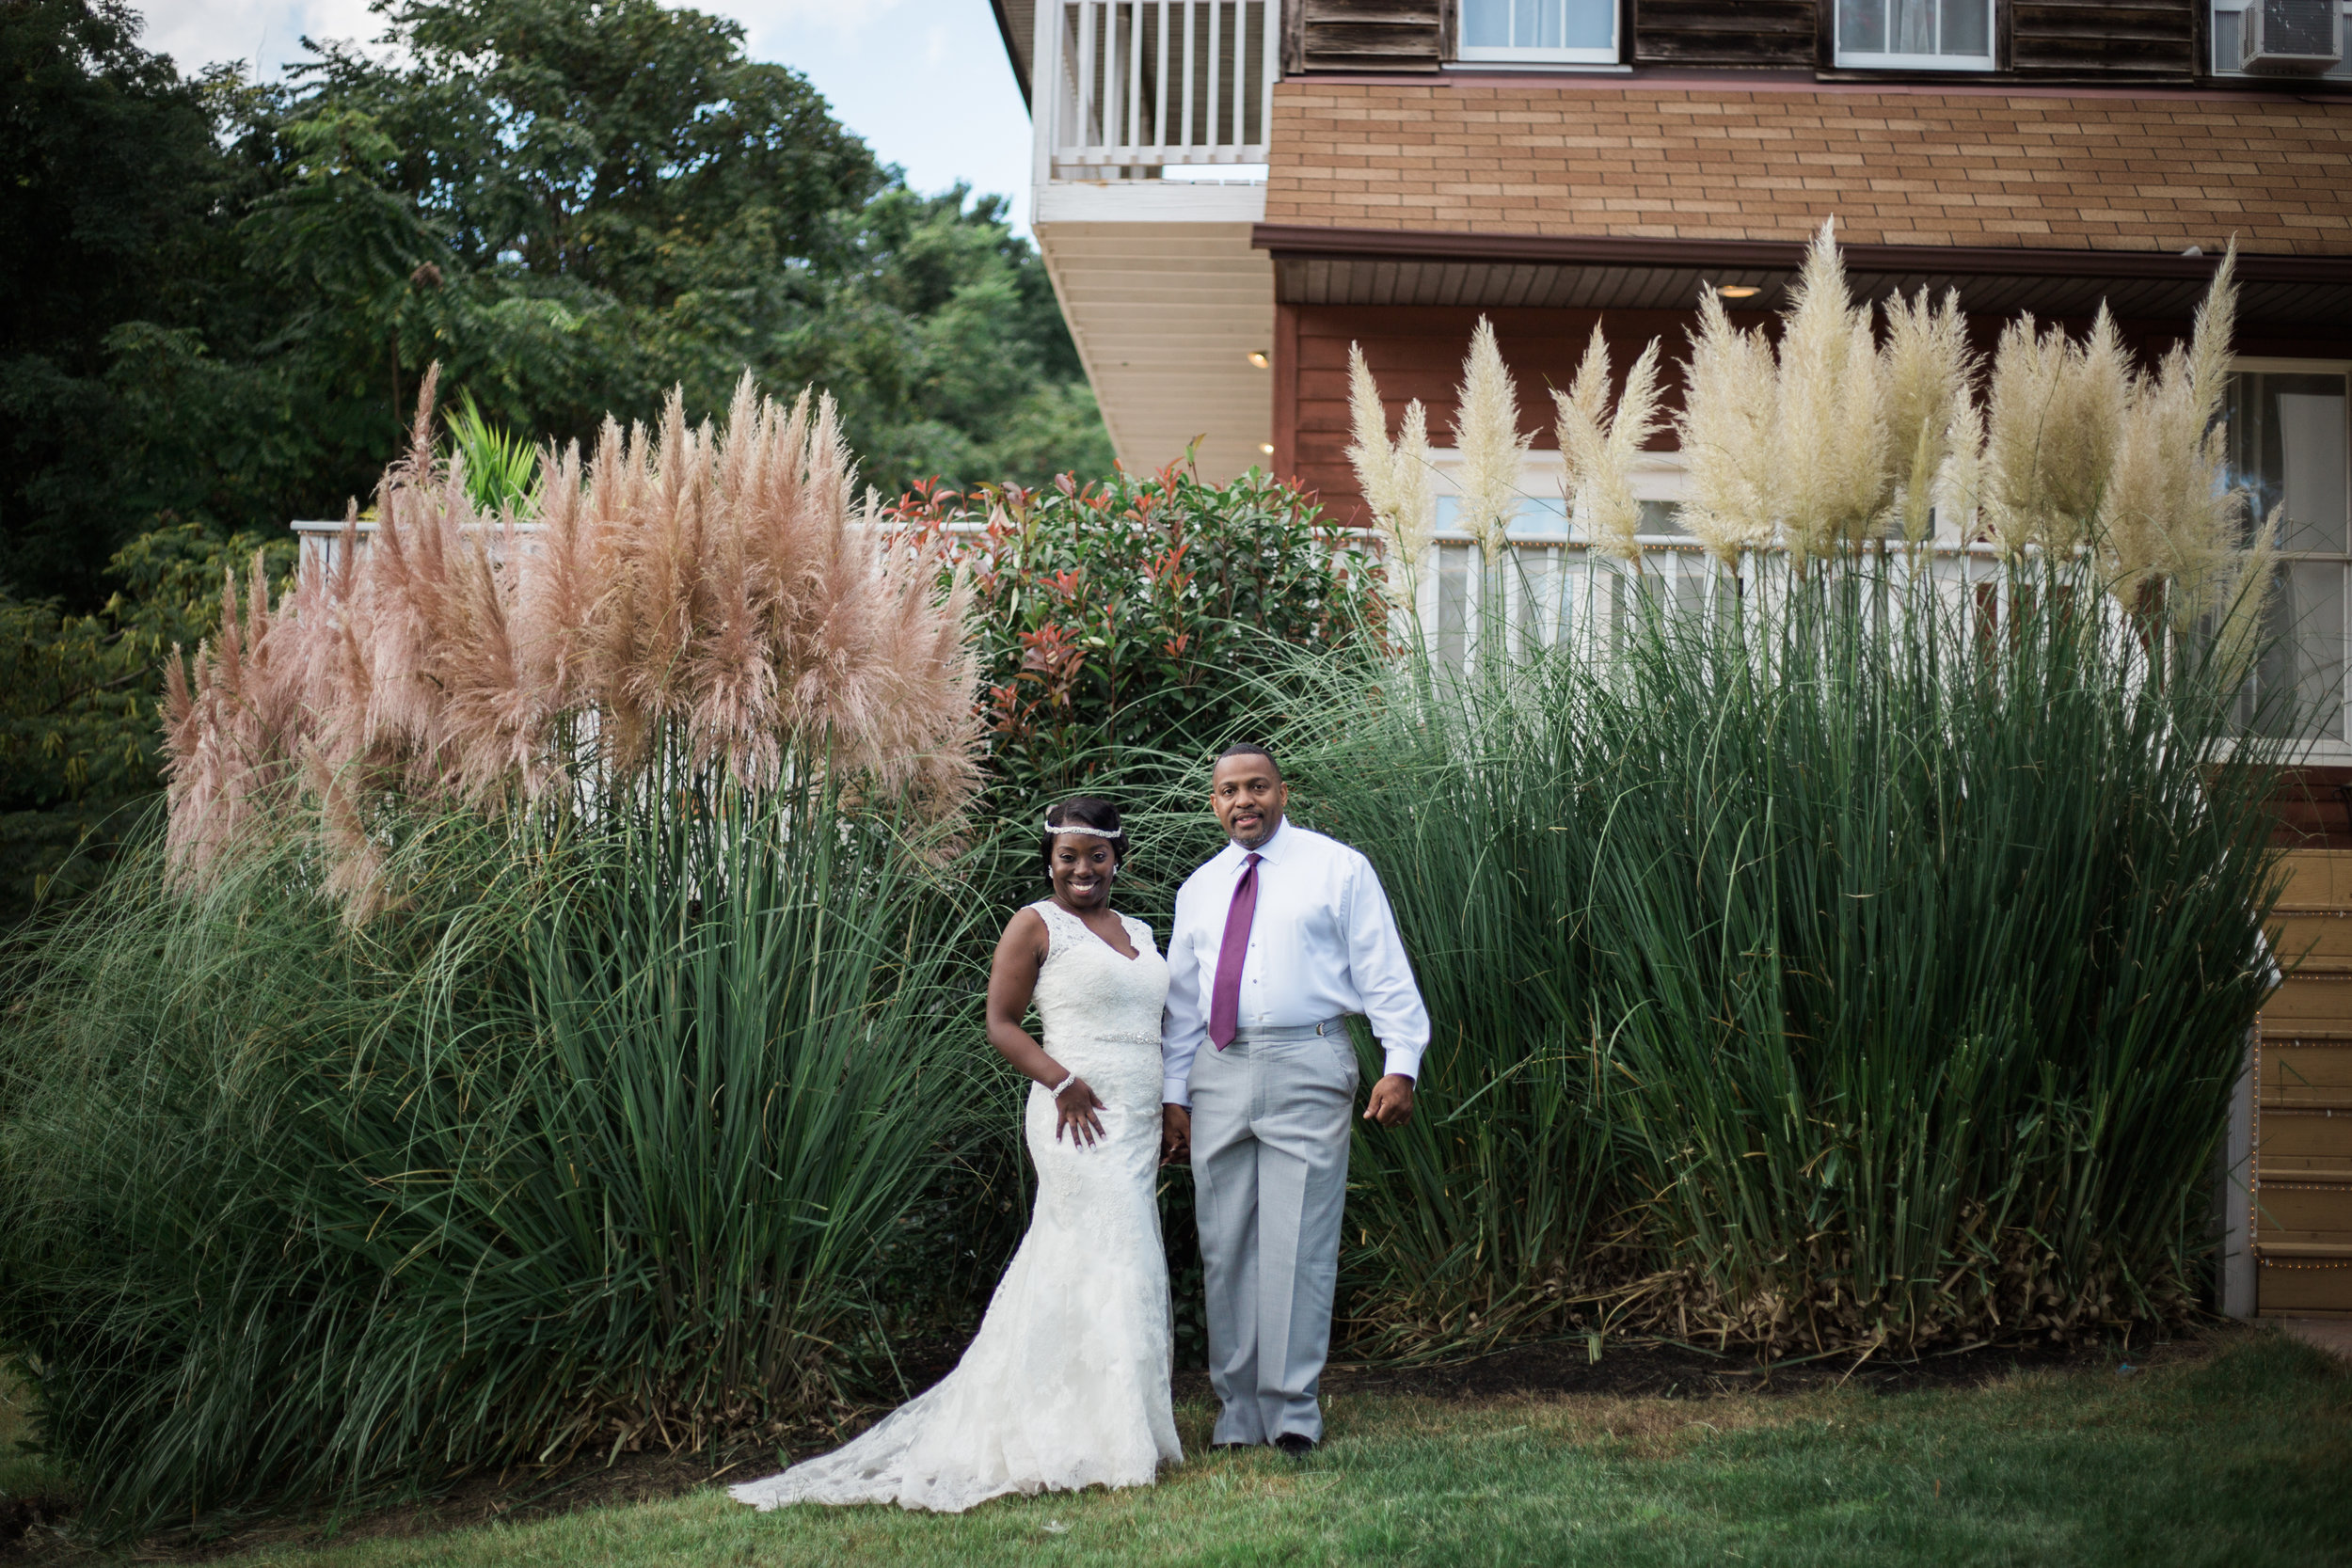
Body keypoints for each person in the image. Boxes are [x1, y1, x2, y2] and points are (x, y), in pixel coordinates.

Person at [729, 797, 1181, 1513]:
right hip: (1074, 1115)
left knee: (1117, 1254)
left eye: (1096, 853)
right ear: (1050, 862)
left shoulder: (1141, 930)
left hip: (1135, 1120)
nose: (1083, 868)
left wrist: (1169, 1105)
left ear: (1117, 857)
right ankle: (1095, 1435)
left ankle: (1109, 1425)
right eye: (1068, 855)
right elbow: (1000, 1023)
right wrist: (1059, 1079)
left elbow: (1158, 1021)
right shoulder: (1035, 924)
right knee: (1108, 1247)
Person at [1160, 742, 1428, 1456]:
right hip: (1218, 1066)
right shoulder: (1200, 887)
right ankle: (1237, 1410)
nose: (1242, 800)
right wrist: (1173, 1094)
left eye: (1257, 786)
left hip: (1308, 1055)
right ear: (1213, 802)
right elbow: (1184, 1004)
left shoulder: (1337, 868)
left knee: (1299, 1238)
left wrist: (1400, 1061)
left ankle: (1292, 1409)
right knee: (1226, 1242)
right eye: (1228, 791)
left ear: (1283, 792)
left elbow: (1383, 968)